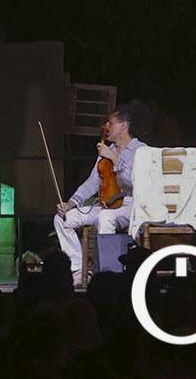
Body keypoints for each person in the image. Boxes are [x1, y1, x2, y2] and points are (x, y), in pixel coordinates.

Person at [53, 102, 148, 286]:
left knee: (106, 218)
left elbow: (135, 183)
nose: (106, 127)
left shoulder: (141, 150)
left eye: (110, 123)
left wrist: (115, 159)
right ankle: (80, 270)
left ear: (123, 126)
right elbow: (92, 182)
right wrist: (71, 203)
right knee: (62, 219)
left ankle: (109, 276)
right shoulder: (108, 150)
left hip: (130, 205)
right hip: (105, 204)